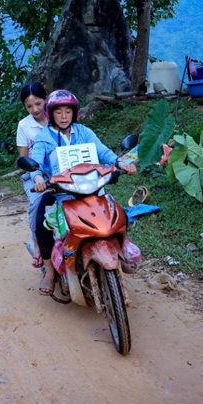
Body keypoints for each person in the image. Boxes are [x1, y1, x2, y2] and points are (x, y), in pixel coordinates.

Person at [29, 89, 137, 295]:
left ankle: (120, 252)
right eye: (58, 112)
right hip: (61, 191)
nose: (63, 116)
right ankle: (49, 272)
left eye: (67, 112)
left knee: (118, 213)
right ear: (51, 114)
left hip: (91, 187)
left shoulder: (84, 132)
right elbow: (35, 162)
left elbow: (102, 150)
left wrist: (119, 162)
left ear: (74, 113)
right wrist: (39, 178)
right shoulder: (44, 138)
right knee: (40, 222)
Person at [15, 82, 48, 268]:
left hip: (63, 173)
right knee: (38, 204)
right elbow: (24, 158)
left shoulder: (59, 117)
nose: (35, 109)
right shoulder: (24, 126)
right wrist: (36, 173)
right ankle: (37, 243)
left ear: (46, 99)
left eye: (38, 103)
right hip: (36, 174)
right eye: (29, 106)